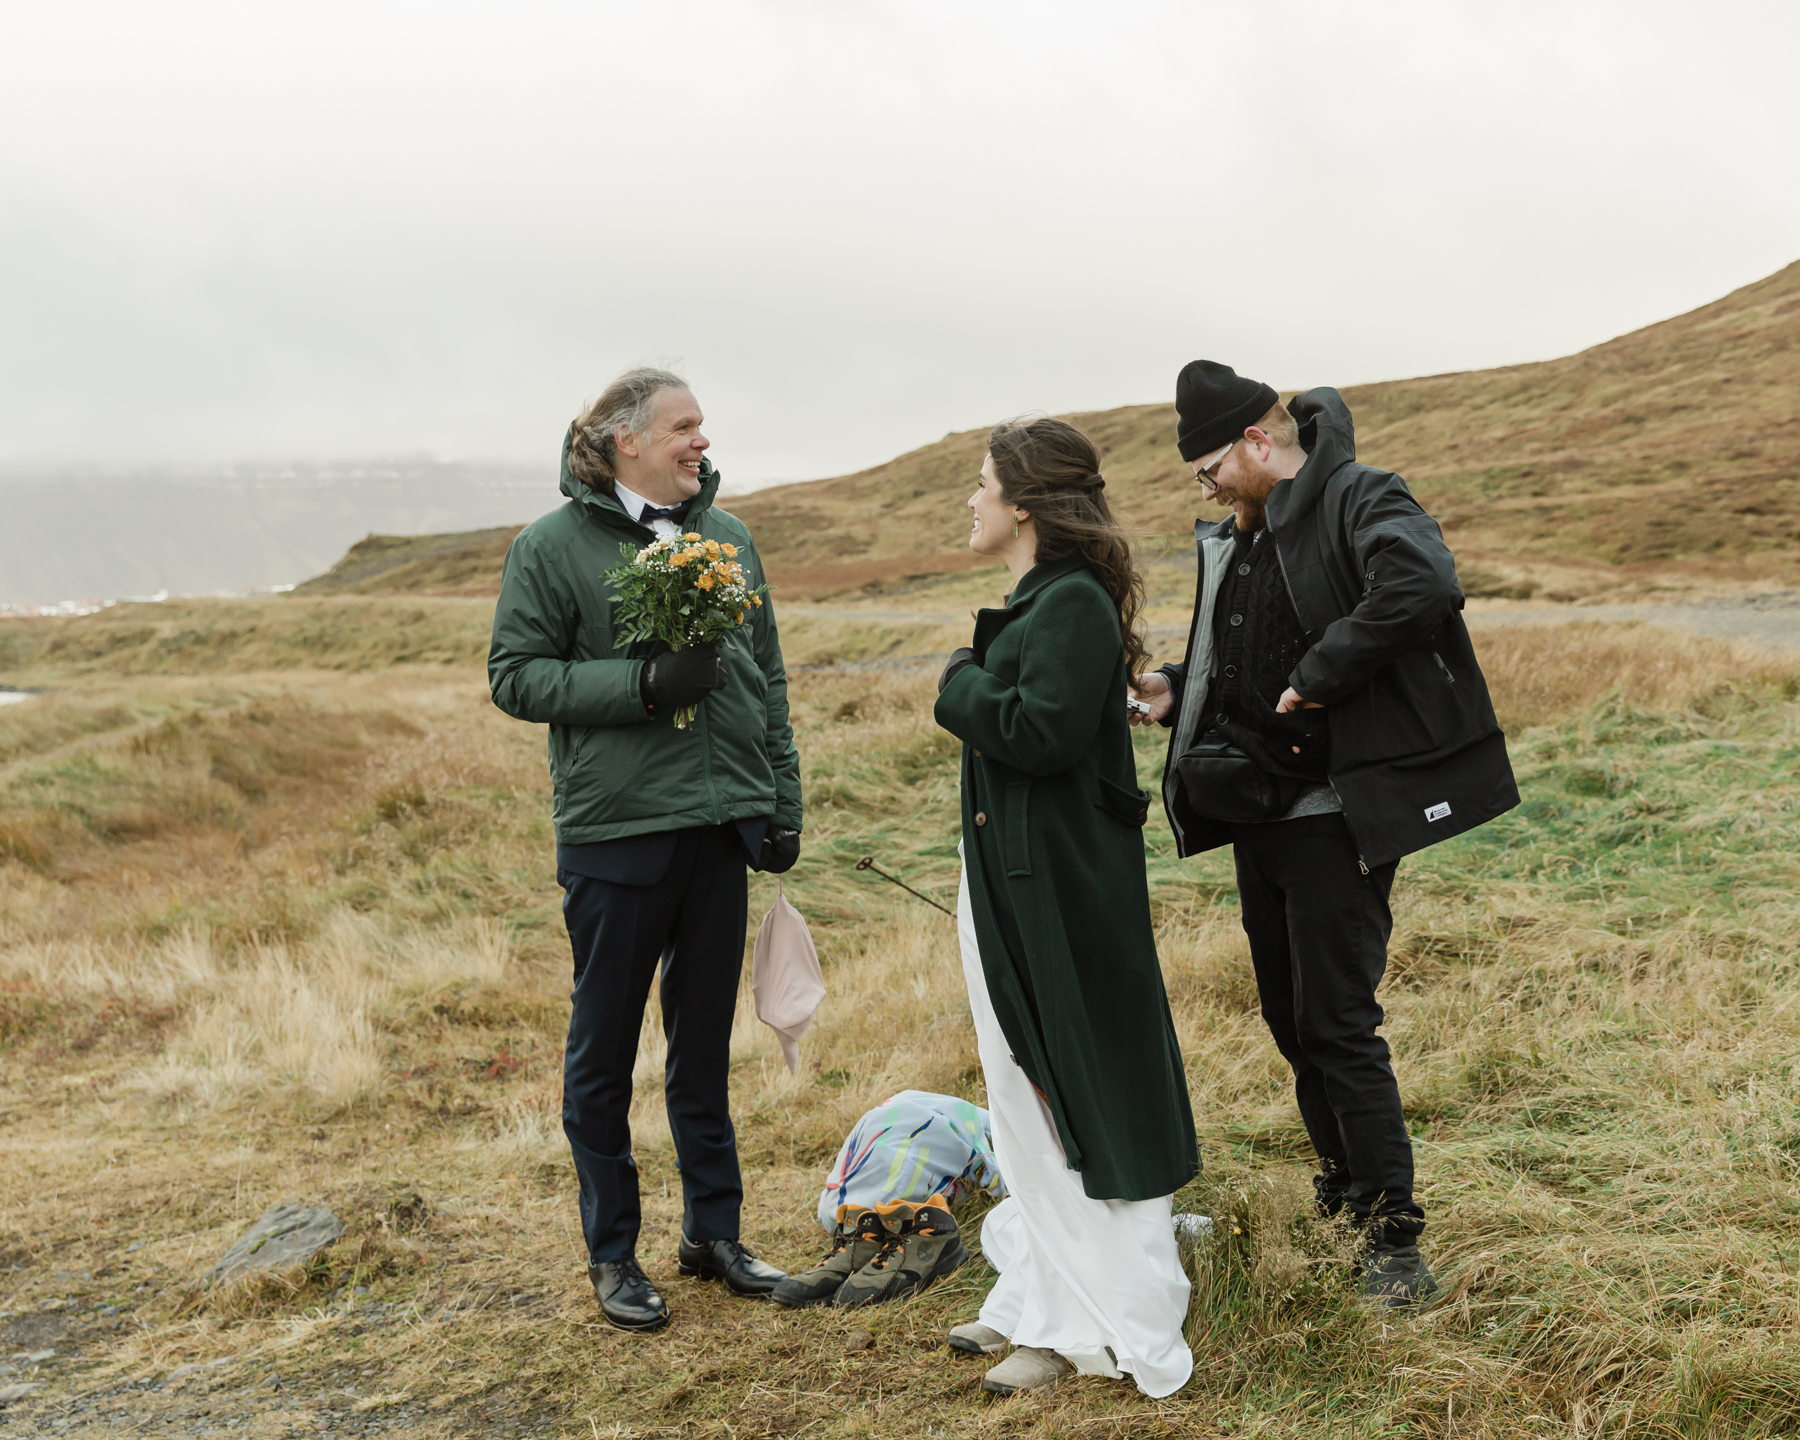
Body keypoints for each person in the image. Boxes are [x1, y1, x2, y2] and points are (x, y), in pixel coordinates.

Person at [1130, 361, 1519, 1307]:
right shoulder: (1251, 535)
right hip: (1257, 816)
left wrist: (1322, 670)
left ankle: (1395, 1241)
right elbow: (1252, 653)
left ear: (1259, 444)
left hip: (1336, 814)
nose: (1209, 488)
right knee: (1289, 1019)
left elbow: (1422, 583)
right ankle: (1344, 1194)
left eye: (1211, 467)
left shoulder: (1359, 496)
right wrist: (1182, 687)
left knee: (1340, 1024)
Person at [487, 366, 802, 1331]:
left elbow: (769, 677)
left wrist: (781, 800)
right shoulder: (550, 546)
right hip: (617, 835)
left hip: (720, 829)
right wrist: (642, 684)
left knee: (703, 1047)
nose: (700, 442)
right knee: (605, 1053)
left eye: (702, 427)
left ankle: (714, 1236)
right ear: (625, 439)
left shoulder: (729, 537)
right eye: (683, 426)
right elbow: (516, 677)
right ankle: (613, 1254)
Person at [934, 417, 1198, 1398]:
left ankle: (1094, 1324)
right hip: (1018, 885)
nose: (971, 499)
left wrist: (957, 685)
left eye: (982, 483)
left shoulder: (1073, 604)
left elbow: (1037, 735)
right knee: (1024, 1092)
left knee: (1062, 1088)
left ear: (1026, 505)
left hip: (1058, 896)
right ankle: (1044, 1297)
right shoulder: (1047, 598)